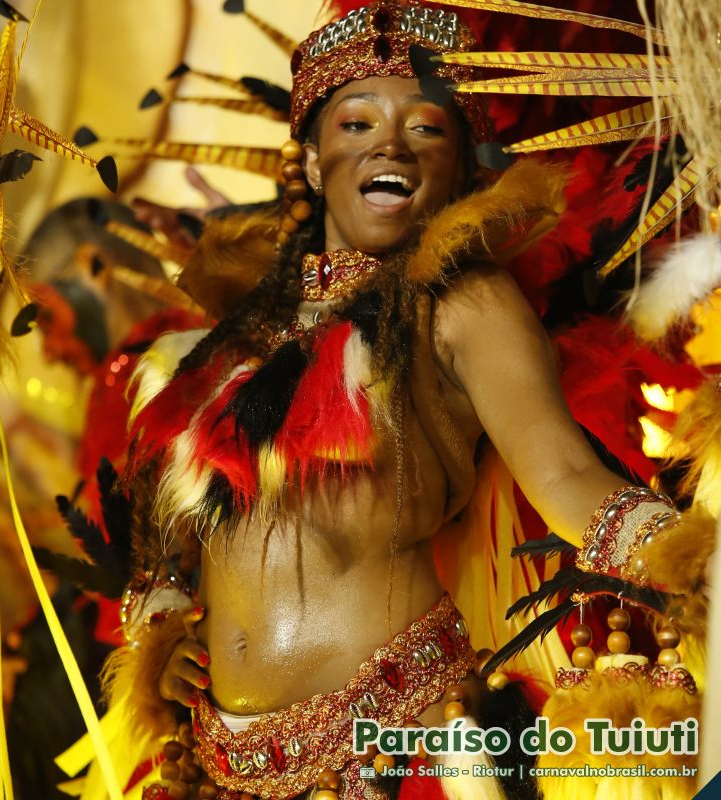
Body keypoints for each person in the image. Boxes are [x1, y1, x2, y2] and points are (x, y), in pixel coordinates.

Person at [107, 3, 689, 799]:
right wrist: (166, 630)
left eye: (426, 129)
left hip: (398, 752)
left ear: (456, 169)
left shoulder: (461, 305)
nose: (390, 144)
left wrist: (695, 561)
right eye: (356, 123)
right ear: (313, 160)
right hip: (214, 768)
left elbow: (562, 472)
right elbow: (176, 538)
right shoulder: (236, 339)